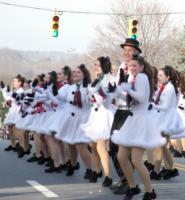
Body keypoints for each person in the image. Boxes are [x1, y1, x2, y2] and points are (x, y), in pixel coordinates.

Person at [111, 55, 165, 200]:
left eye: (134, 65)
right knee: (121, 157)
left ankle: (150, 191)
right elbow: (130, 101)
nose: (131, 68)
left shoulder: (141, 77)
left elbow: (141, 98)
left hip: (141, 122)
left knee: (136, 160)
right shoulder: (133, 79)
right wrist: (116, 91)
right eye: (130, 66)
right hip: (132, 119)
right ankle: (132, 186)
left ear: (141, 66)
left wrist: (127, 89)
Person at [109, 38, 142, 194]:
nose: (126, 52)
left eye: (130, 50)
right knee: (113, 146)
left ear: (136, 52)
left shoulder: (138, 68)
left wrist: (127, 86)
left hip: (130, 111)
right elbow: (118, 89)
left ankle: (130, 183)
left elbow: (138, 91)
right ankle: (124, 179)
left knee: (124, 149)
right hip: (119, 109)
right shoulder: (122, 66)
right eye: (125, 50)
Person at [81, 56, 115, 186]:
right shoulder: (96, 80)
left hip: (105, 114)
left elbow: (105, 100)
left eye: (98, 65)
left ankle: (108, 176)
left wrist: (95, 92)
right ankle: (96, 171)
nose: (96, 67)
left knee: (101, 146)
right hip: (95, 114)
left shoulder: (110, 79)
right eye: (95, 65)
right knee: (93, 146)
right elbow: (93, 99)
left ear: (105, 67)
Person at [55, 64, 92, 179]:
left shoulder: (88, 88)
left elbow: (90, 103)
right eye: (74, 72)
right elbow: (61, 99)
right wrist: (53, 92)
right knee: (70, 144)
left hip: (83, 119)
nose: (75, 74)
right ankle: (73, 164)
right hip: (71, 120)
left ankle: (89, 169)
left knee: (81, 146)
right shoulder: (70, 87)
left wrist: (88, 94)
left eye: (78, 72)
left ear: (84, 75)